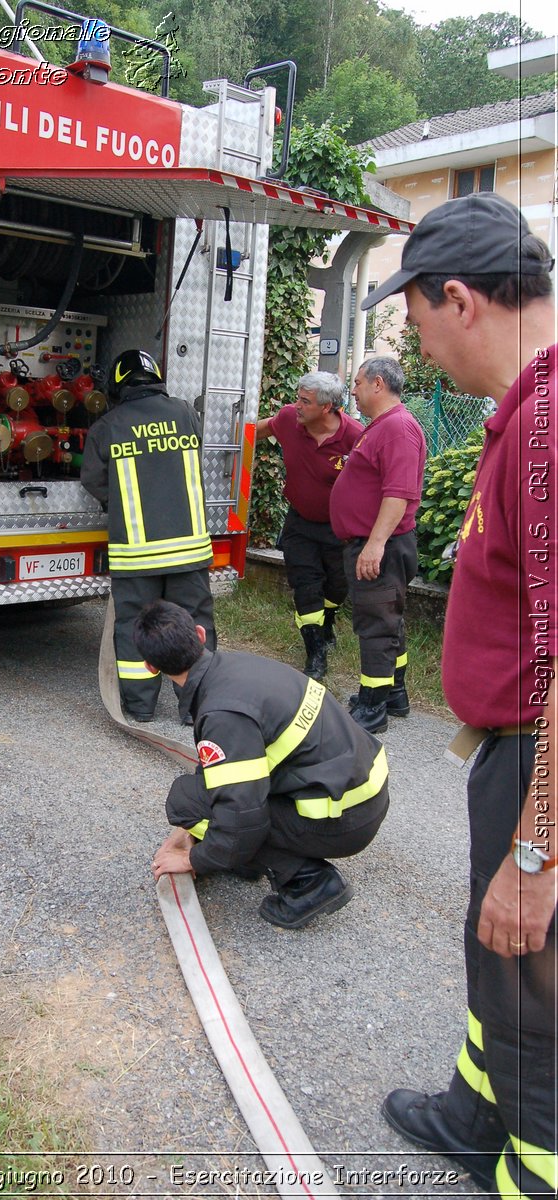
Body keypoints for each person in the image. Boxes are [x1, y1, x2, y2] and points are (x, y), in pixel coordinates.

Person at [361, 192, 557, 1198]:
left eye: (418, 317)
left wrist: (535, 853)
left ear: (461, 301)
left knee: (533, 982)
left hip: (542, 766)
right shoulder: (524, 414)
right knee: (499, 962)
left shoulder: (549, 432)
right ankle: (475, 1119)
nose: (418, 344)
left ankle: (534, 1170)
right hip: (514, 753)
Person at [133, 599, 390, 929]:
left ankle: (309, 882)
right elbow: (228, 771)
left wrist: (193, 858)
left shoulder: (223, 714)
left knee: (187, 801)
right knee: (205, 794)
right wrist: (191, 837)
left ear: (151, 667)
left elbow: (241, 814)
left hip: (345, 820)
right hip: (362, 794)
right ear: (200, 635)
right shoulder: (237, 667)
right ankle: (251, 859)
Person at [81, 349, 215, 722]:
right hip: (188, 550)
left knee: (134, 628)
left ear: (118, 385)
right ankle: (198, 706)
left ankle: (140, 709)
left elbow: (92, 479)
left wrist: (121, 502)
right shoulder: (186, 413)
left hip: (136, 555)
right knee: (194, 623)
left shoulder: (107, 426)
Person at [329, 356, 426, 733]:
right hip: (376, 541)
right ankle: (393, 694)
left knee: (376, 626)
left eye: (357, 382)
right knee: (388, 622)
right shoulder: (381, 426)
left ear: (378, 384)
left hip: (381, 546)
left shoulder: (397, 429)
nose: (352, 389)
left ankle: (372, 708)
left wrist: (374, 544)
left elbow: (398, 493)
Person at [256, 372, 363, 680]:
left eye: (305, 401)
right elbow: (258, 430)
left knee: (336, 587)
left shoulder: (355, 437)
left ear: (328, 407)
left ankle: (327, 622)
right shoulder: (290, 419)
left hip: (339, 529)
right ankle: (315, 654)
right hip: (300, 524)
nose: (297, 405)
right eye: (298, 397)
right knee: (306, 588)